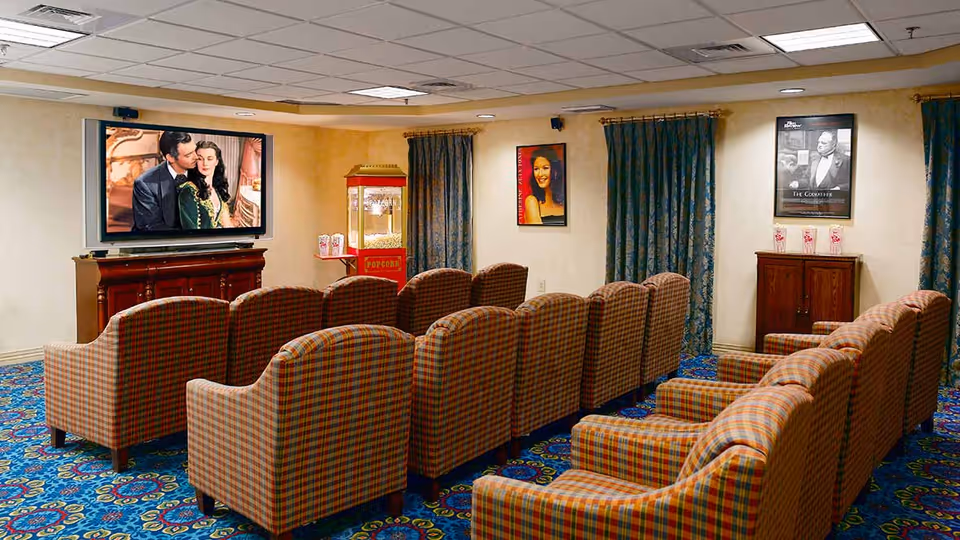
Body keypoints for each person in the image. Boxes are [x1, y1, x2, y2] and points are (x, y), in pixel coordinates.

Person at [132, 131, 197, 231]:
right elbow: (152, 227)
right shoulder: (145, 184)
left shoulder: (201, 171)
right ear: (170, 158)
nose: (196, 157)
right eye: (188, 155)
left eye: (195, 150)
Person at [178, 141, 232, 229]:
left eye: (209, 159)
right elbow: (191, 230)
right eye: (200, 159)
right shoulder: (188, 191)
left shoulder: (217, 190)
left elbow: (227, 224)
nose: (205, 163)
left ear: (216, 161)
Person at [522, 146, 565, 225]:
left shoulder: (565, 201)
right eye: (536, 169)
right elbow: (537, 232)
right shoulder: (532, 201)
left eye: (545, 168)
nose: (540, 174)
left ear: (555, 171)